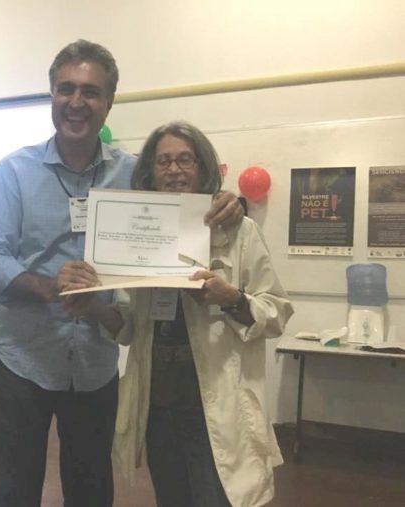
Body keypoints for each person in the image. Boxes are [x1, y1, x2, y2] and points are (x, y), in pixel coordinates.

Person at [0, 40, 244, 507]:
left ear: (109, 102)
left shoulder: (135, 174)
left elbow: (185, 206)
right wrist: (50, 287)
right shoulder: (12, 172)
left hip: (95, 364)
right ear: (52, 94)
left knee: (92, 488)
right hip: (22, 357)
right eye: (66, 89)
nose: (76, 102)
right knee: (14, 488)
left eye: (90, 92)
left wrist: (231, 202)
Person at [59, 121, 293, 507]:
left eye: (185, 160)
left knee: (216, 496)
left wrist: (232, 298)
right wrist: (95, 306)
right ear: (150, 172)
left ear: (203, 167)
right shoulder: (140, 237)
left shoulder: (239, 231)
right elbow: (129, 327)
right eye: (163, 161)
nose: (174, 170)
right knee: (172, 495)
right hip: (158, 395)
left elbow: (277, 313)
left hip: (215, 395)